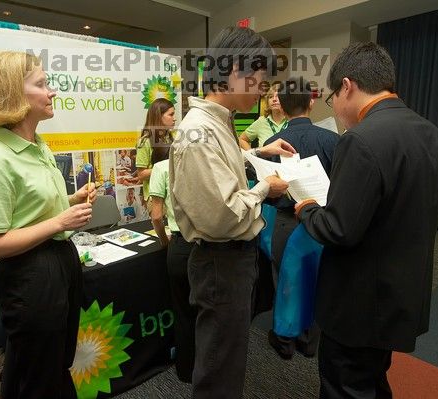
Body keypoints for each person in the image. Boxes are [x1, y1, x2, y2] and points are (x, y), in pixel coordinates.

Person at [294, 42, 438, 398]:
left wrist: (307, 210)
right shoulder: (433, 135)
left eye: (332, 97)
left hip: (359, 304)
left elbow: (338, 229)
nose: (333, 107)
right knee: (372, 381)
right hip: (401, 295)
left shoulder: (360, 140)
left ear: (347, 86)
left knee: (345, 387)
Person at [169, 26, 296, 398]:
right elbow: (222, 214)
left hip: (228, 262)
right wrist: (263, 188)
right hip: (219, 262)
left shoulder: (218, 122)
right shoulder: (198, 133)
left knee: (227, 357)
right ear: (237, 70)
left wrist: (257, 155)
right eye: (259, 80)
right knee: (220, 369)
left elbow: (224, 164)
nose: (262, 90)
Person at [0, 51, 96, 399]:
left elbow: (29, 212)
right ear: (12, 95)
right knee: (37, 376)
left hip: (59, 263)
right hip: (30, 275)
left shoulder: (37, 145)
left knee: (55, 363)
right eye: (41, 84)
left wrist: (69, 201)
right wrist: (59, 221)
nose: (52, 92)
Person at [263, 76, 339, 359]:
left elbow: (266, 190)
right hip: (322, 223)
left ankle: (284, 340)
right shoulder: (333, 140)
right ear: (312, 100)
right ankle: (310, 341)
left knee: (283, 279)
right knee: (319, 281)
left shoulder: (272, 144)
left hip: (284, 222)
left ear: (280, 104)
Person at [149, 145, 196, 383]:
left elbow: (156, 215)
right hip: (205, 245)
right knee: (206, 312)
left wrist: (164, 241)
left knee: (183, 311)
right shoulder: (199, 165)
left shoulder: (160, 168)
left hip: (179, 246)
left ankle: (186, 370)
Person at [136, 98, 176, 201]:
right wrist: (167, 168)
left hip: (173, 193)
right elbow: (141, 175)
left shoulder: (174, 137)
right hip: (155, 196)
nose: (174, 118)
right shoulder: (145, 142)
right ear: (159, 116)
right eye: (171, 115)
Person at [239, 82, 288, 149]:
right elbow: (242, 139)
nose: (274, 99)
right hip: (264, 159)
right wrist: (253, 154)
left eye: (278, 96)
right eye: (270, 97)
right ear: (267, 102)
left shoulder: (293, 120)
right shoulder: (261, 121)